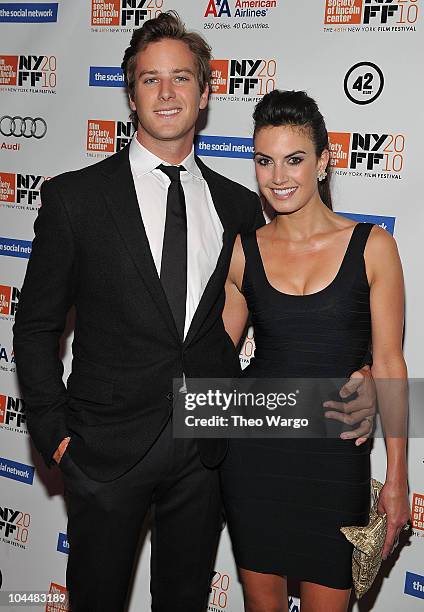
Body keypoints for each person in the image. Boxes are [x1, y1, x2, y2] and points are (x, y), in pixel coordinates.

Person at [13, 13, 375, 612]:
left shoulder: (240, 206)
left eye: (181, 77)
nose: (166, 92)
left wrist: (359, 369)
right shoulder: (75, 198)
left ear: (205, 93)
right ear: (130, 94)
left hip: (208, 453)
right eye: (150, 79)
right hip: (103, 450)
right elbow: (36, 327)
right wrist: (55, 437)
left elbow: (293, 311)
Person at [220, 90, 410, 612]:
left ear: (324, 162)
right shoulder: (243, 250)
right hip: (255, 455)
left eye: (295, 159)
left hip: (333, 456)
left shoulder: (372, 246)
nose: (278, 176)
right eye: (264, 161)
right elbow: (212, 356)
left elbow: (392, 362)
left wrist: (397, 479)